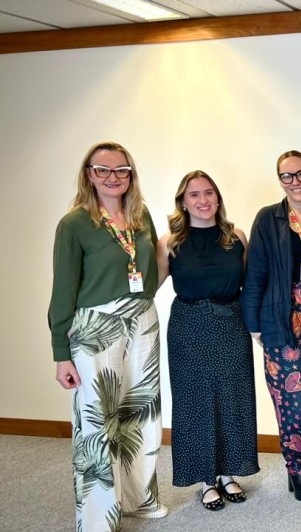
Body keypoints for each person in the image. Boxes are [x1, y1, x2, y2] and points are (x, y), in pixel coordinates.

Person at [49, 141, 167, 529]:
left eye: (121, 170)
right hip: (95, 329)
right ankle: (99, 517)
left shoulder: (141, 216)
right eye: (103, 170)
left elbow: (149, 276)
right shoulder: (74, 224)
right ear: (89, 174)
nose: (113, 178)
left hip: (142, 321)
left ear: (131, 175)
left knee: (140, 414)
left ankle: (139, 499)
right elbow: (63, 291)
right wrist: (61, 352)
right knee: (97, 423)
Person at [156, 170, 259, 511]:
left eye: (209, 192)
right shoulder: (169, 243)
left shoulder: (236, 237)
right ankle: (205, 479)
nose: (203, 200)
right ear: (183, 203)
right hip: (189, 327)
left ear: (218, 197)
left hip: (231, 324)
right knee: (195, 402)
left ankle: (230, 472)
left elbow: (251, 285)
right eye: (194, 194)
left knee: (234, 398)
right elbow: (147, 289)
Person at [242, 150, 301, 501]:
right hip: (284, 317)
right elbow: (255, 276)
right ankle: (296, 469)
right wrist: (255, 326)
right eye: (287, 176)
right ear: (279, 180)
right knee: (292, 399)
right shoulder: (268, 219)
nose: (295, 182)